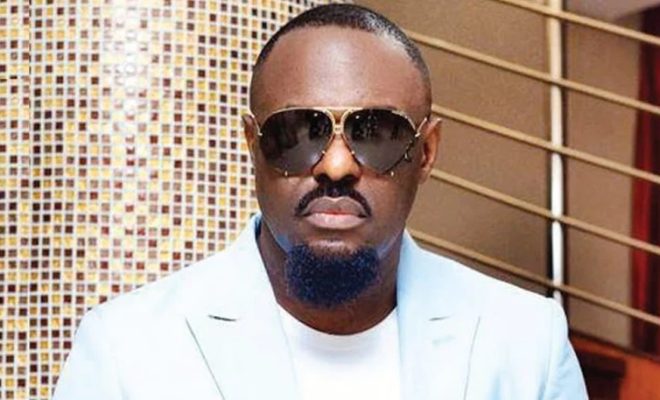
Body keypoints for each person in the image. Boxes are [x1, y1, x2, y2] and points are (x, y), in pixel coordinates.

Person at [53, 4, 587, 400]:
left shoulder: (524, 344)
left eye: (375, 132)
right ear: (253, 145)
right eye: (298, 132)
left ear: (426, 153)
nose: (335, 166)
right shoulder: (127, 350)